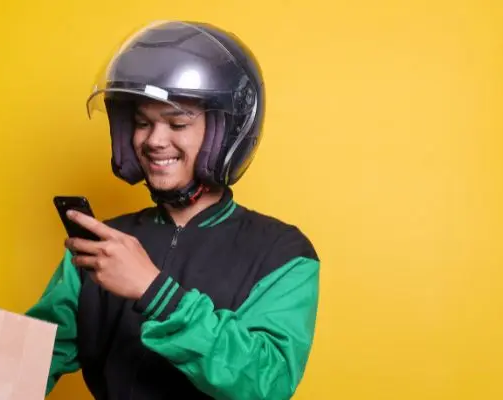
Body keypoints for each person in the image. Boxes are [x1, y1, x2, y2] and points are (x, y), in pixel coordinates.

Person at [25, 20, 320, 400]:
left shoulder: (282, 253)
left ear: (226, 135)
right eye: (142, 123)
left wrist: (153, 291)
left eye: (177, 122)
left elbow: (267, 382)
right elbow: (29, 357)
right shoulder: (103, 246)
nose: (154, 141)